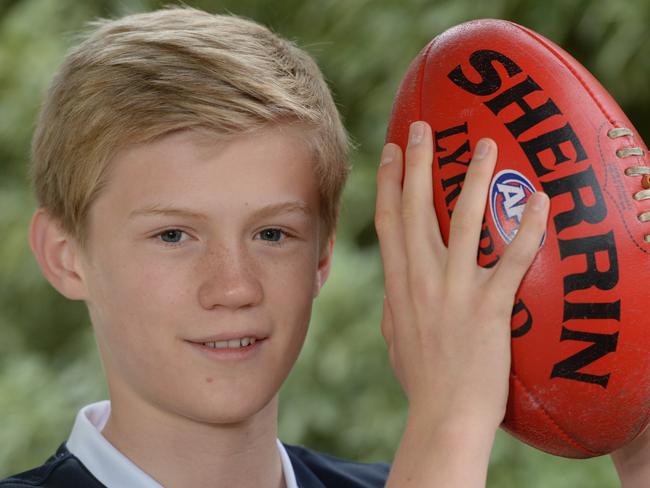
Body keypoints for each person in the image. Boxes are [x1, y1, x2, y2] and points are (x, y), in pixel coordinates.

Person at [1, 4, 645, 487]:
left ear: (323, 256)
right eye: (173, 235)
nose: (234, 287)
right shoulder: (442, 463)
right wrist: (450, 418)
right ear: (64, 254)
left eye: (273, 233)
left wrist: (637, 433)